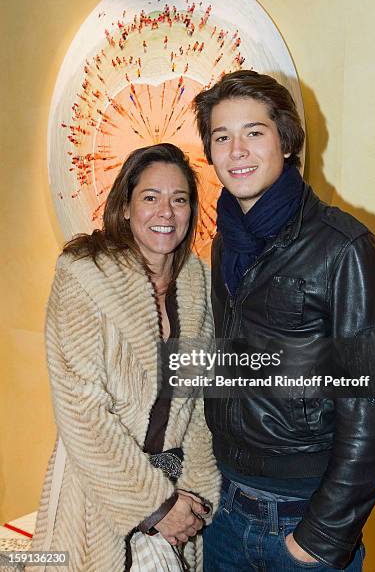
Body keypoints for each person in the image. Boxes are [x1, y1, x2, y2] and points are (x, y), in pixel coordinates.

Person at [193, 70, 375, 570]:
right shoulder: (225, 244)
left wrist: (320, 537)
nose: (237, 150)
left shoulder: (343, 247)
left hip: (298, 516)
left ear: (285, 141)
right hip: (224, 507)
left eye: (254, 132)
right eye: (222, 137)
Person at [30, 143, 220, 572]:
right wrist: (156, 505)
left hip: (178, 501)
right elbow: (80, 411)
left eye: (180, 199)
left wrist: (194, 496)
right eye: (150, 197)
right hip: (98, 494)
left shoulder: (197, 283)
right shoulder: (83, 273)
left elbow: (200, 406)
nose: (165, 212)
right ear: (127, 207)